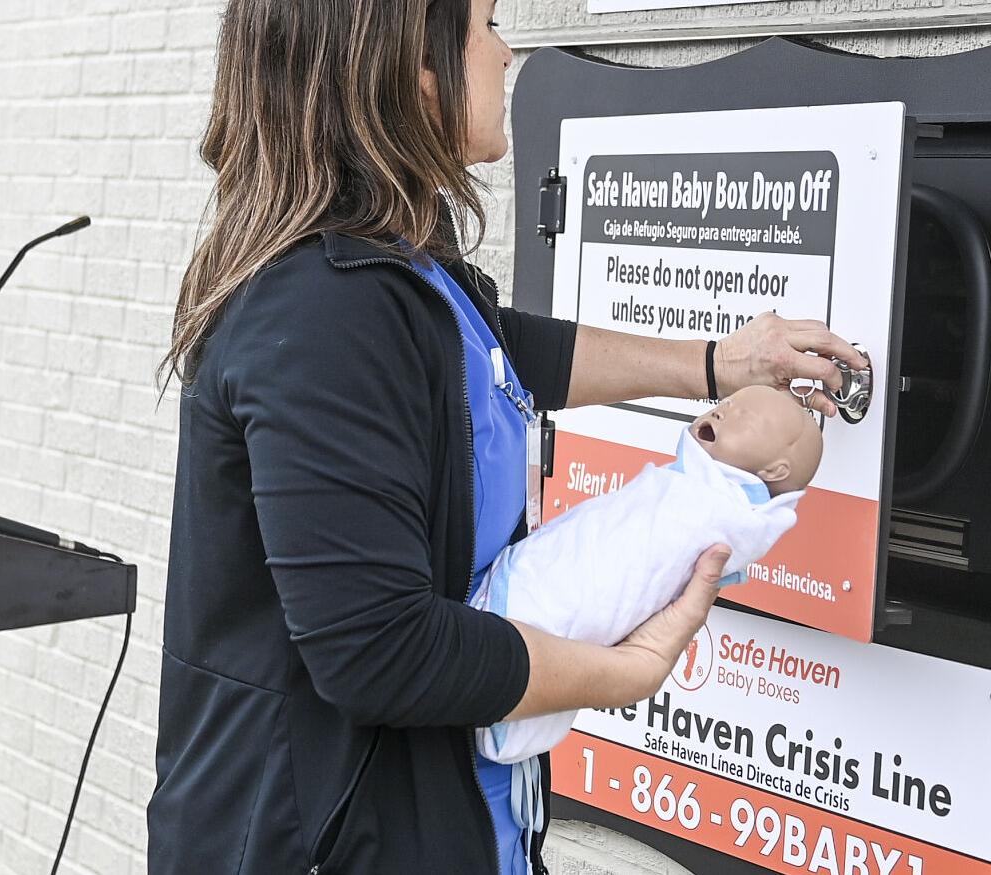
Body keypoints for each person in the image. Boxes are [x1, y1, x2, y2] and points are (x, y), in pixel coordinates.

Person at [145, 2, 864, 874]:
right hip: (329, 838)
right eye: (485, 21)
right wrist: (624, 672)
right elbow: (380, 652)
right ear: (414, 59)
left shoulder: (396, 270)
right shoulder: (323, 310)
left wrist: (721, 361)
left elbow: (499, 355)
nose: (503, 48)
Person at [473, 386, 823, 766]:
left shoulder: (721, 515)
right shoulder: (684, 483)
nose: (724, 412)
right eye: (727, 403)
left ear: (774, 472)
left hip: (535, 620)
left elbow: (626, 570)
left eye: (745, 417)